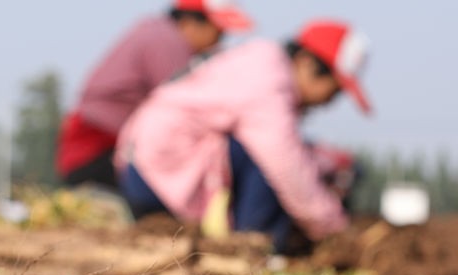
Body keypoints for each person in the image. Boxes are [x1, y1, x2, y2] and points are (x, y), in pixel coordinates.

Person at [115, 20, 372, 252]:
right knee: (268, 160)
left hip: (145, 163)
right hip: (158, 172)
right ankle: (256, 251)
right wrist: (334, 228)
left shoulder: (260, 61)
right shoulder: (270, 80)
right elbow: (287, 168)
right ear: (306, 62)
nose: (329, 102)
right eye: (334, 90)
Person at [55, 1, 253, 189]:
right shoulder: (169, 43)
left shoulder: (156, 32)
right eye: (217, 33)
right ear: (188, 23)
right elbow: (189, 108)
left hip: (95, 149)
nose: (218, 43)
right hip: (97, 151)